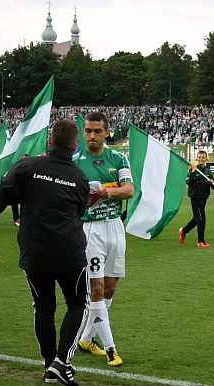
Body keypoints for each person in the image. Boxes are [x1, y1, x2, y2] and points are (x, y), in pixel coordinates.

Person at [0, 120, 89, 386]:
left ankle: (50, 366)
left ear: (50, 140)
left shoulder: (27, 166)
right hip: (68, 251)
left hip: (35, 250)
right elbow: (80, 210)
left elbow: (4, 195)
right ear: (74, 144)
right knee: (77, 303)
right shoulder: (79, 176)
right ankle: (61, 362)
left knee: (44, 307)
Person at [73, 112, 134, 367]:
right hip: (90, 231)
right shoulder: (75, 161)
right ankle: (111, 348)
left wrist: (109, 192)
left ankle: (86, 339)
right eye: (88, 131)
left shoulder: (118, 158)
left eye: (97, 131)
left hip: (115, 228)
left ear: (106, 132)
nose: (92, 136)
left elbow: (129, 190)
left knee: (110, 287)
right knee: (96, 288)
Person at [179, 150, 214, 247]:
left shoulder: (208, 171)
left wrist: (212, 182)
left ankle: (184, 230)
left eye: (203, 157)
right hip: (195, 196)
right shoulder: (193, 169)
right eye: (199, 157)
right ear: (196, 159)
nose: (201, 159)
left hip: (204, 197)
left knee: (197, 219)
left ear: (206, 159)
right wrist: (192, 172)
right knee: (201, 219)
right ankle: (201, 241)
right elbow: (189, 182)